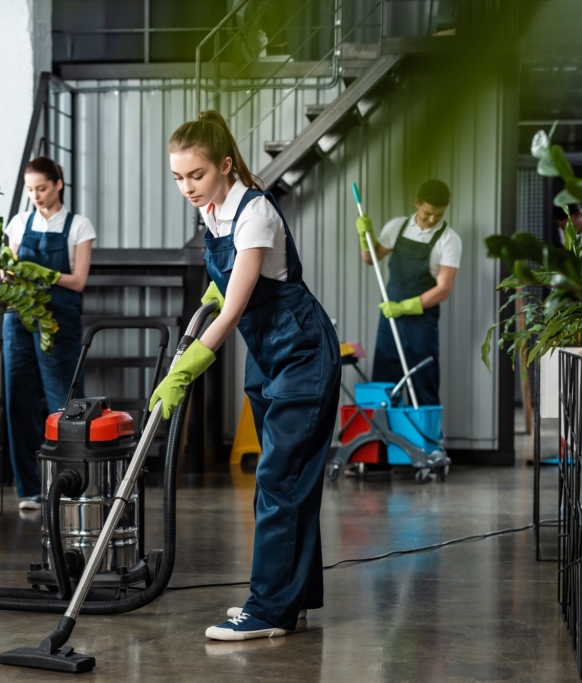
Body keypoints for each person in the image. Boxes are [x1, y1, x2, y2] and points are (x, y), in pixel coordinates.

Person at [152, 110, 341, 641]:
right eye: (178, 177)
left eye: (197, 175)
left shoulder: (253, 212)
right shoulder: (213, 211)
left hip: (301, 352)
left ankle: (268, 611)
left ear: (225, 166)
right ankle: (294, 597)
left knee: (279, 478)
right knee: (290, 480)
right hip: (266, 357)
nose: (188, 188)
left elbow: (233, 310)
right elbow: (234, 282)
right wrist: (218, 289)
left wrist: (186, 367)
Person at [3, 157, 96, 511]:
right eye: (30, 190)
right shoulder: (19, 223)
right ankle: (29, 489)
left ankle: (69, 486)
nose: (36, 196)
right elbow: (9, 272)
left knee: (65, 403)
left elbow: (78, 280)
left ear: (58, 184)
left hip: (59, 320)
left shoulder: (79, 226)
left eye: (41, 188)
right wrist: (8, 276)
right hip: (19, 320)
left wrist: (38, 271)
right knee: (19, 401)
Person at [357, 179, 461, 407]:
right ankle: (384, 442)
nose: (432, 220)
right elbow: (370, 258)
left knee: (424, 383)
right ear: (417, 203)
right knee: (385, 384)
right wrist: (365, 236)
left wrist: (405, 306)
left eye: (438, 215)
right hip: (391, 319)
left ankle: (426, 441)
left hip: (422, 323)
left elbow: (443, 289)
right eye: (427, 214)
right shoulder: (397, 227)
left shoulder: (449, 240)